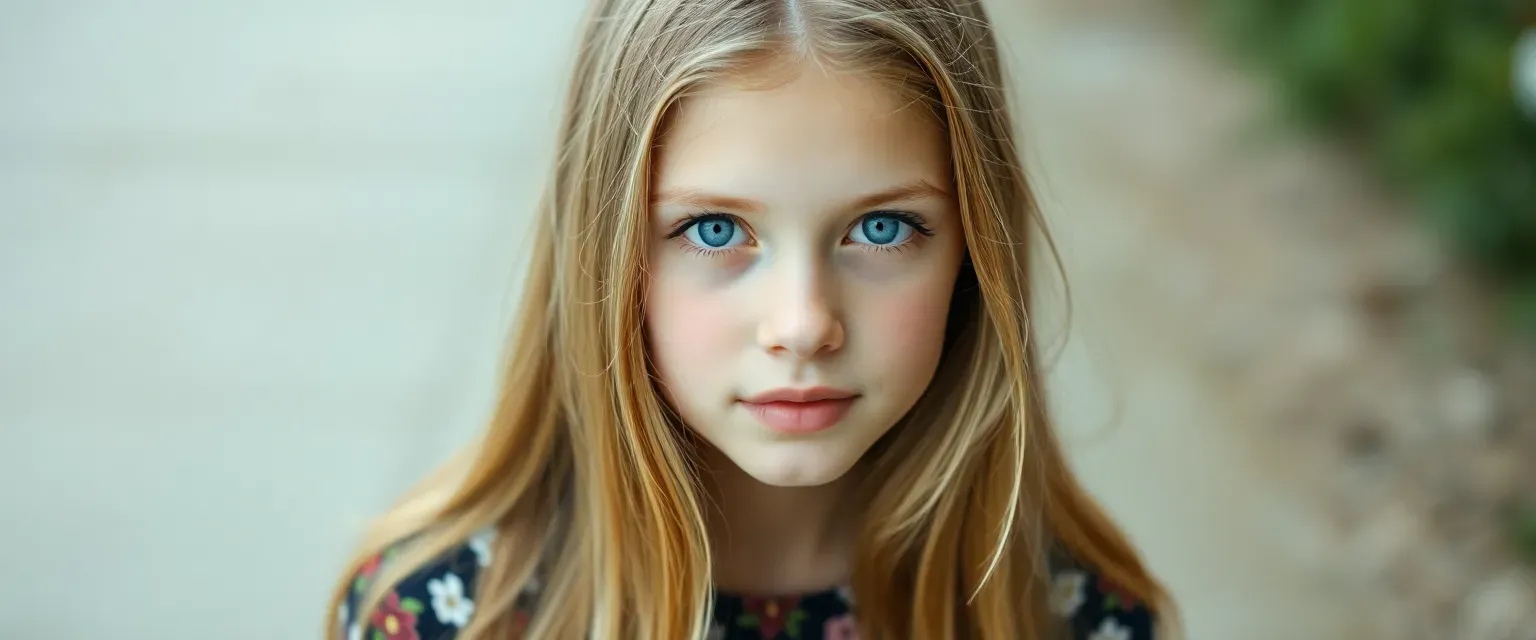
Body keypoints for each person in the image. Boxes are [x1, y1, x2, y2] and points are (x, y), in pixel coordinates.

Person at [329, 0, 1173, 638]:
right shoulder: (443, 616)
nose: (803, 325)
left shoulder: (1071, 617)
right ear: (609, 255)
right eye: (715, 230)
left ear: (974, 255)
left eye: (881, 228)